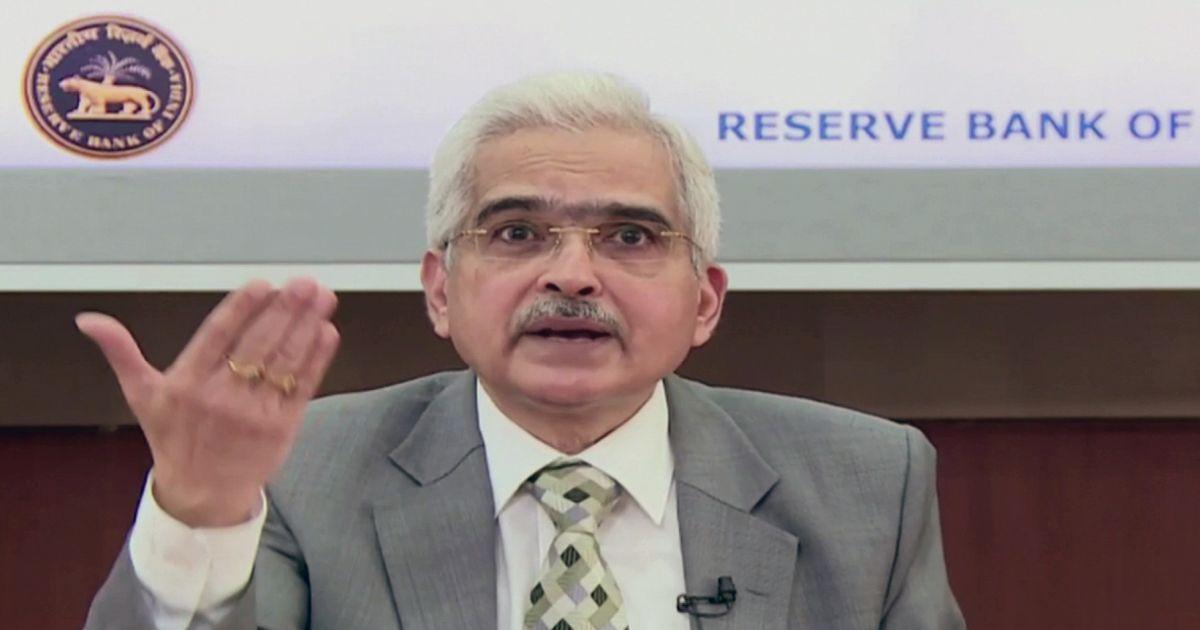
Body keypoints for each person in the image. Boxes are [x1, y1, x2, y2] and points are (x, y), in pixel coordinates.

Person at [82, 71, 965, 629]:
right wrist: (200, 516)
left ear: (703, 301)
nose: (572, 274)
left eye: (629, 237)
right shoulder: (304, 475)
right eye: (516, 232)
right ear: (440, 290)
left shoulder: (867, 485)